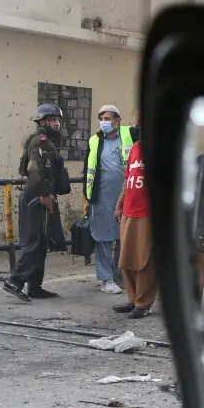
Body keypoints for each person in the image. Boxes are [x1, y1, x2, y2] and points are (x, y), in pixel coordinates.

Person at [5, 104, 69, 303]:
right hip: (37, 197)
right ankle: (14, 281)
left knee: (42, 243)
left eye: (57, 120)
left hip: (42, 196)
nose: (56, 123)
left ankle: (35, 286)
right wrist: (44, 195)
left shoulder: (46, 142)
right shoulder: (40, 142)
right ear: (42, 122)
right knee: (34, 243)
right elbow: (34, 171)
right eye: (52, 120)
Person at [83, 105, 133, 295]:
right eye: (102, 118)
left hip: (126, 195)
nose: (105, 122)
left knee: (125, 237)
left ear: (117, 120)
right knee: (103, 238)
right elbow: (88, 169)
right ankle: (106, 279)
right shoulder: (95, 141)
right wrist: (87, 197)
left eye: (108, 118)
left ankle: (121, 276)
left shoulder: (128, 135)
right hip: (102, 197)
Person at [112, 129, 154, 319]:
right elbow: (128, 179)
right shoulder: (136, 148)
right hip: (129, 211)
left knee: (144, 260)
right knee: (127, 259)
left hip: (148, 214)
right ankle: (132, 299)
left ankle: (143, 303)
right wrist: (120, 204)